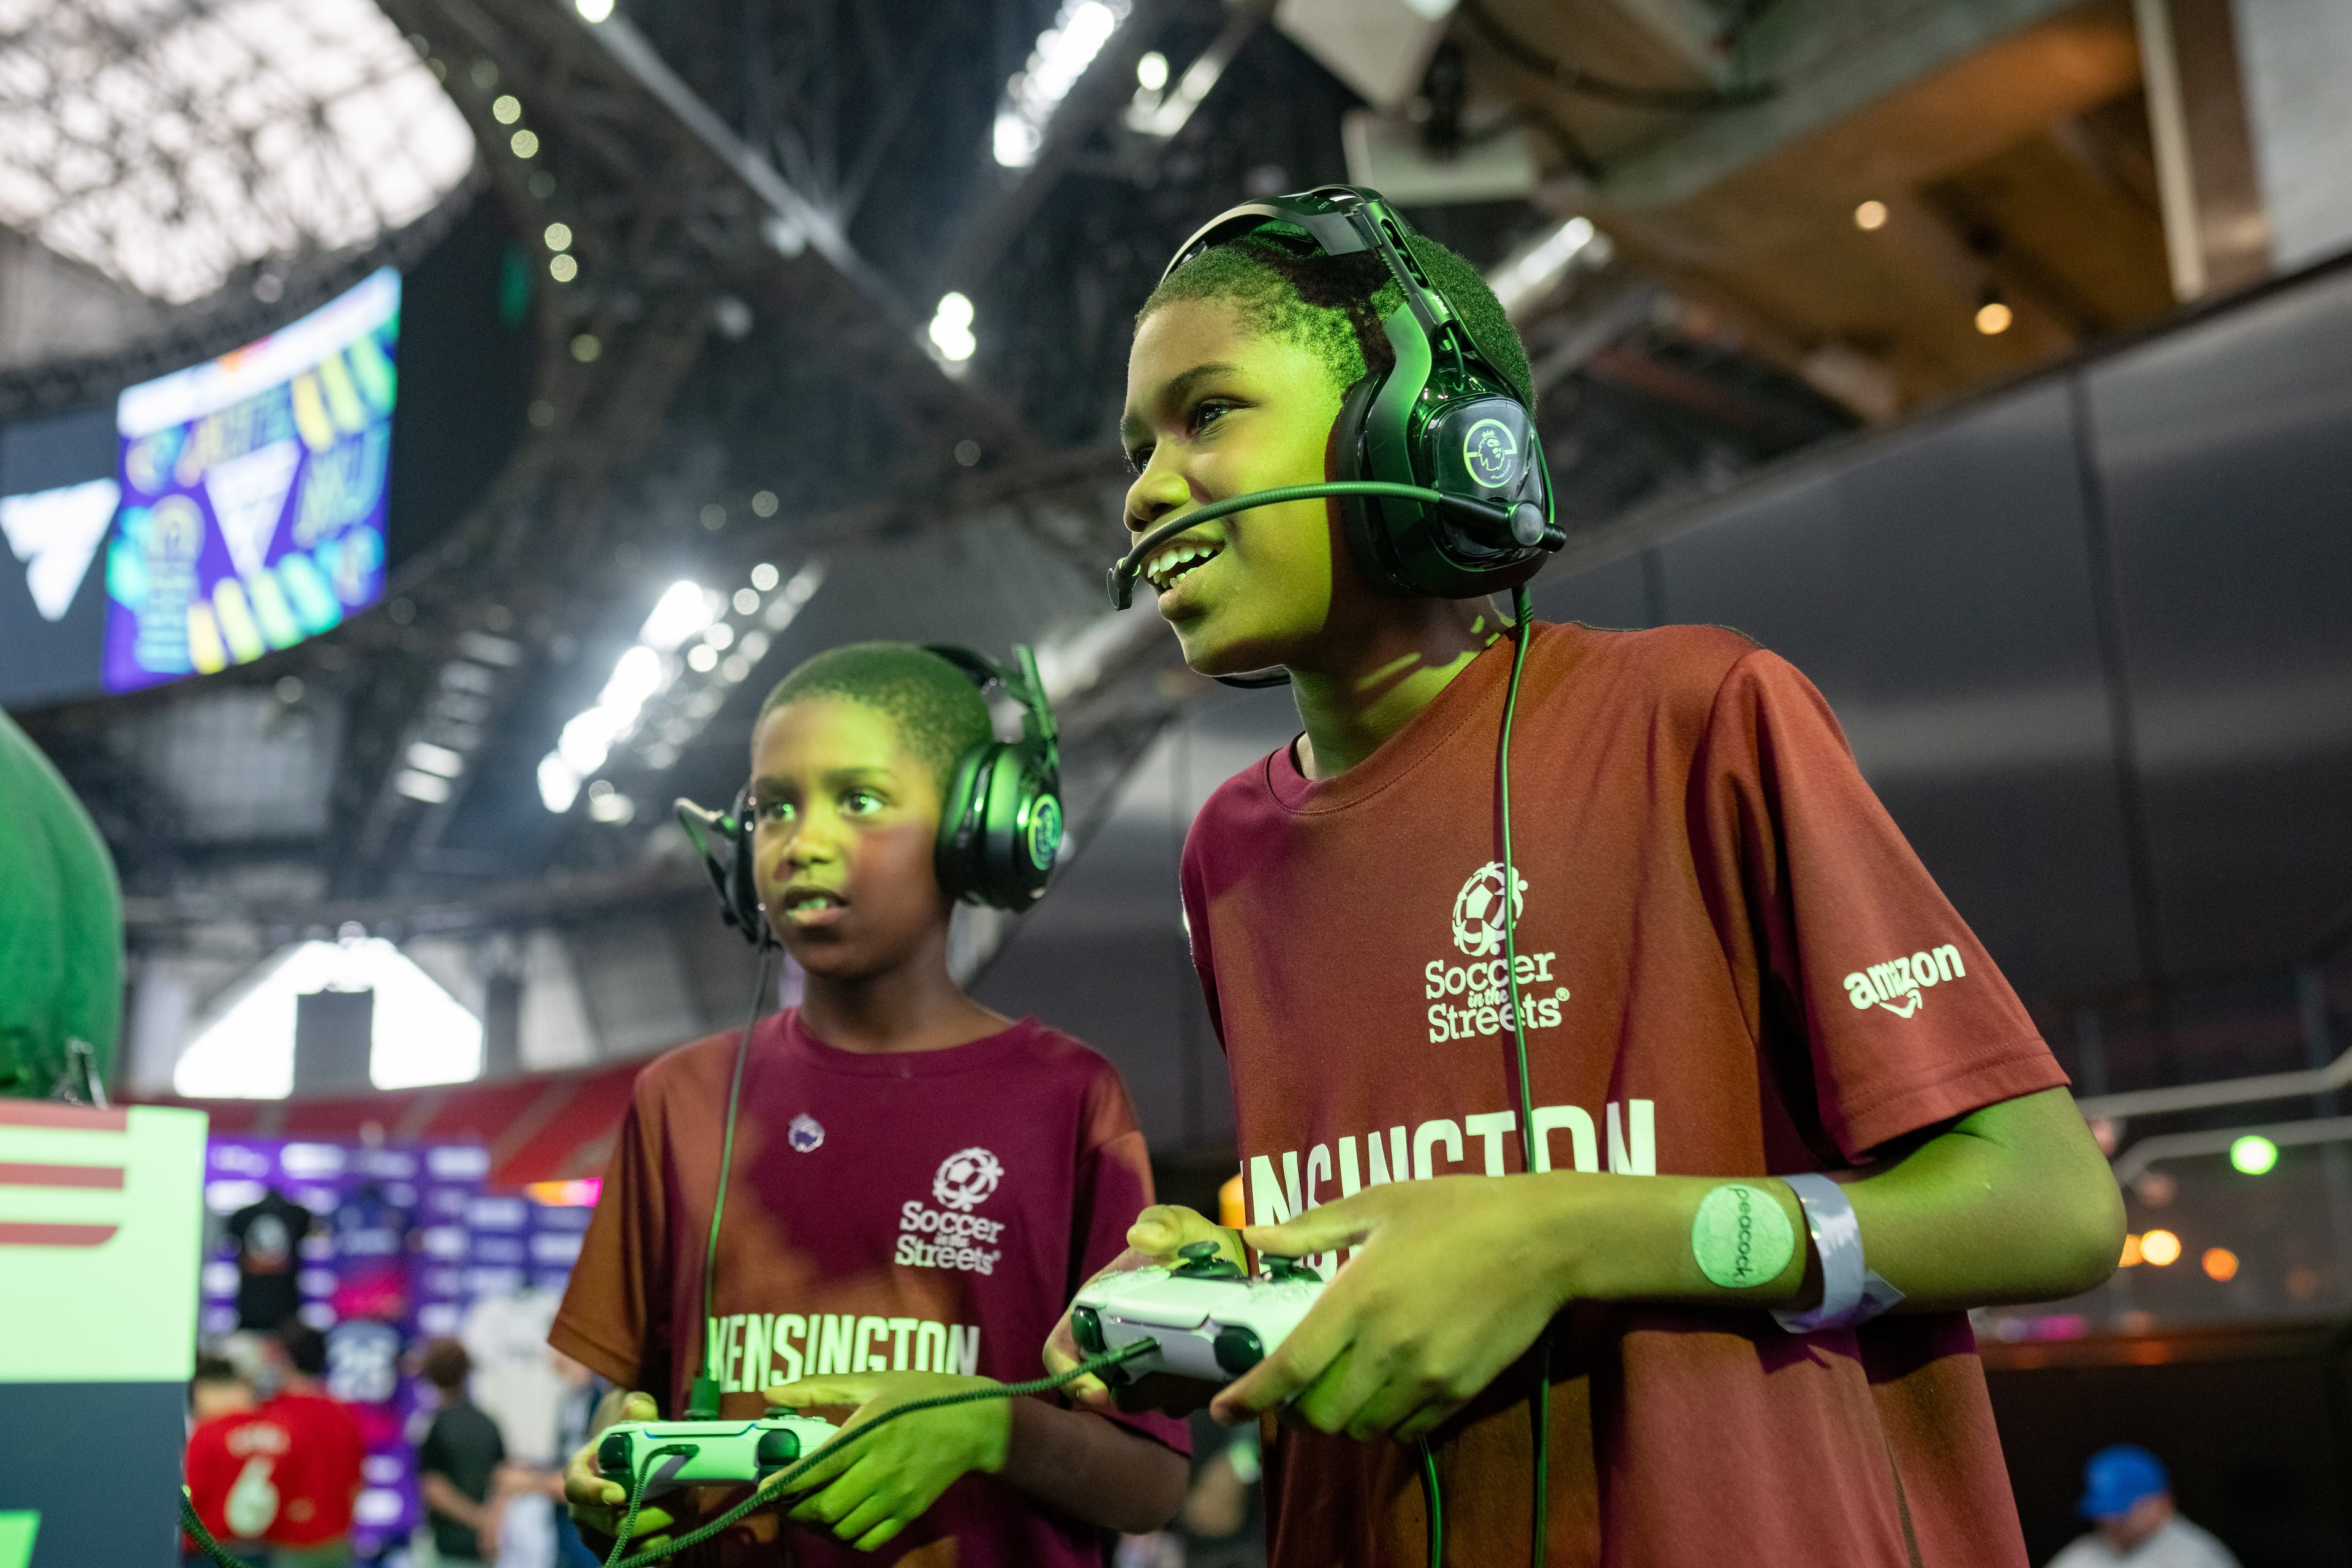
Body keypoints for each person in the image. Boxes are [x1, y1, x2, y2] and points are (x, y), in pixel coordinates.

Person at [1046, 189, 2126, 1564]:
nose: (1145, 485)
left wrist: (1578, 1232)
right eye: (1137, 447)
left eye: (1208, 413)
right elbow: (1410, 1225)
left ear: (1424, 421)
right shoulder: (1228, 854)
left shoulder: (1700, 711)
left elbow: (2050, 1202)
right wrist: (1234, 1288)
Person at [552, 643, 1189, 1565]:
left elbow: (1153, 1482)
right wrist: (610, 1471)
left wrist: (990, 1430)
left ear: (985, 825)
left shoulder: (1069, 1098)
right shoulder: (679, 1099)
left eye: (859, 800)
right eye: (774, 807)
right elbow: (630, 1401)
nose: (802, 841)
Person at [184, 1324, 368, 1568]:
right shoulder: (344, 1414)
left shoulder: (272, 1417)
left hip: (287, 1543)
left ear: (284, 1360)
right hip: (337, 1540)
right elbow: (356, 1481)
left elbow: (265, 1481)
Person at [2048, 1447, 2241, 1568]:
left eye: (2121, 1511)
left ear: (2163, 1503)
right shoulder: (2086, 1551)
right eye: (2103, 1511)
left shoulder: (2197, 1558)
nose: (2109, 1520)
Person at [416, 1338, 508, 1568]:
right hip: (484, 1548)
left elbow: (434, 1489)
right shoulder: (488, 1422)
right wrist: (491, 1525)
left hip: (446, 1547)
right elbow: (503, 1480)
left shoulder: (432, 1426)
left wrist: (480, 1520)